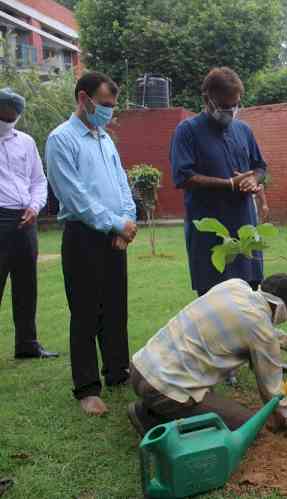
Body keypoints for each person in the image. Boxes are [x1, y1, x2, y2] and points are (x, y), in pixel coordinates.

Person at [127, 274, 287, 436]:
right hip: (165, 390)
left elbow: (254, 327)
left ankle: (152, 408)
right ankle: (152, 418)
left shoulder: (234, 286)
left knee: (205, 398)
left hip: (140, 368)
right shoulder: (261, 330)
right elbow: (272, 387)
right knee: (249, 427)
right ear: (282, 306)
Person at [46, 72, 137, 415]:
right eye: (104, 105)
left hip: (115, 234)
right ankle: (87, 388)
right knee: (85, 311)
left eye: (112, 106)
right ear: (84, 99)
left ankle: (117, 372)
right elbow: (76, 197)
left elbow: (121, 182)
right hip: (83, 236)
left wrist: (126, 221)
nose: (109, 112)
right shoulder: (61, 140)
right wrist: (116, 222)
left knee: (115, 308)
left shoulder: (104, 139)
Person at [171, 67, 266, 297]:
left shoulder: (243, 130)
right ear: (207, 99)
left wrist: (253, 178)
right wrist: (228, 184)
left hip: (245, 228)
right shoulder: (187, 131)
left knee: (249, 301)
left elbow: (260, 167)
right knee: (214, 304)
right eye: (225, 106)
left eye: (236, 105)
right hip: (209, 237)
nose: (232, 111)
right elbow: (183, 176)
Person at [0, 88, 57, 359]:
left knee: (26, 284)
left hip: (25, 219)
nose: (8, 121)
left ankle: (27, 344)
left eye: (13, 117)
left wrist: (35, 206)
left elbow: (38, 180)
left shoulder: (25, 142)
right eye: (4, 116)